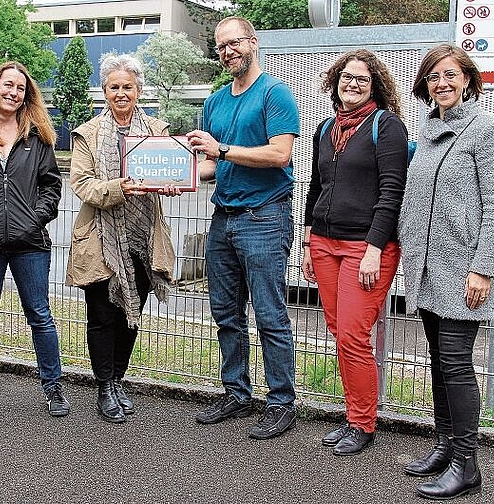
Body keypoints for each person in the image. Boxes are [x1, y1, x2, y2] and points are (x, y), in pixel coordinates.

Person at [398, 43, 494, 499]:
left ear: (467, 79)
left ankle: (467, 464)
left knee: (457, 365)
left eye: (449, 75)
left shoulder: (486, 128)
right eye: (433, 77)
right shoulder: (427, 129)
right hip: (426, 265)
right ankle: (444, 446)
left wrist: (483, 267)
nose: (441, 83)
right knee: (439, 364)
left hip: (462, 267)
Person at [186, 16, 300, 440]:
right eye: (221, 47)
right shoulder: (215, 102)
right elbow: (214, 163)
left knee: (270, 315)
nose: (228, 51)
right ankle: (236, 392)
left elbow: (279, 155)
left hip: (265, 218)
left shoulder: (275, 93)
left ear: (253, 42)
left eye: (234, 43)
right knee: (226, 316)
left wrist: (224, 149)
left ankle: (281, 402)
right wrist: (182, 178)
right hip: (225, 220)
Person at [301, 50, 408, 455]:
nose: (353, 84)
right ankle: (352, 415)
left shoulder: (388, 127)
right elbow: (315, 189)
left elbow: (391, 193)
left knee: (352, 335)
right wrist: (310, 243)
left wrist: (374, 250)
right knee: (340, 334)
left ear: (374, 86)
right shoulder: (325, 128)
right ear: (336, 80)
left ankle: (362, 424)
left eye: (362, 79)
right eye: (347, 77)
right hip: (325, 245)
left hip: (366, 247)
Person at [66, 53, 179, 423]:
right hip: (101, 237)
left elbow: (170, 170)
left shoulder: (158, 131)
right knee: (102, 315)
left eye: (127, 87)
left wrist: (171, 185)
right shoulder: (87, 133)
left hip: (143, 237)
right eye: (113, 87)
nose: (120, 93)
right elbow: (81, 184)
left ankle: (118, 379)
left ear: (139, 90)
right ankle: (104, 386)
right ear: (104, 91)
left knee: (132, 313)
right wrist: (119, 187)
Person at [0, 61, 68, 420]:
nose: (13, 92)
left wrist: (33, 220)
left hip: (30, 242)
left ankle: (53, 387)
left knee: (40, 315)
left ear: (26, 95)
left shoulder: (36, 137)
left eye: (20, 88)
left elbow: (52, 187)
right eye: (8, 85)